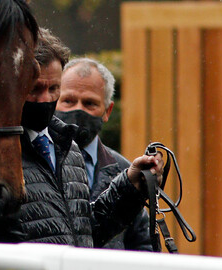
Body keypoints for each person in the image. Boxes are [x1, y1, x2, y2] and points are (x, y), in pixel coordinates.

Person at [0, 28, 162, 247]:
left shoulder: (69, 148)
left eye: (53, 88)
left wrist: (130, 186)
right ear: (15, 86)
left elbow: (86, 235)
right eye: (35, 89)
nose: (45, 99)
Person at [56, 57, 153, 251]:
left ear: (107, 111)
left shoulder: (124, 171)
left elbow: (141, 246)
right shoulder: (36, 162)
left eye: (89, 103)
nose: (78, 110)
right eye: (68, 101)